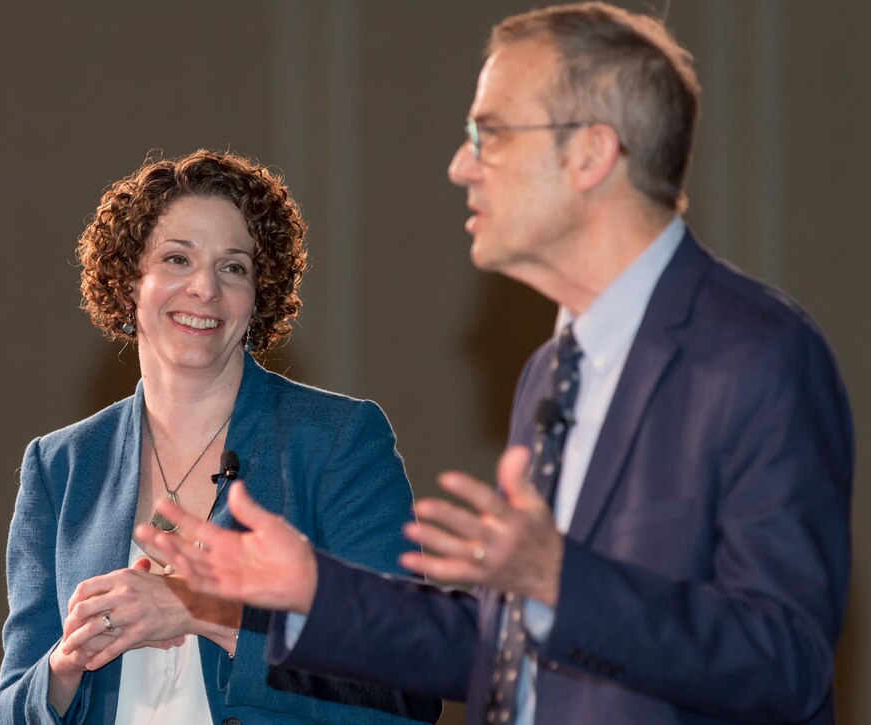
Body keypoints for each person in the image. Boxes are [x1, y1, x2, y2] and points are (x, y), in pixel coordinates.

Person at [143, 4, 854, 725]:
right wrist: (314, 591)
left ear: (590, 154)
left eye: (489, 134)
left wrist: (560, 580)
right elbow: (507, 646)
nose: (460, 165)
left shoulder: (756, 355)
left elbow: (786, 662)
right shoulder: (551, 370)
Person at [0, 149, 441, 724]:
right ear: (130, 282)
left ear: (259, 297)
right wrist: (66, 664)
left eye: (233, 267)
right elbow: (12, 708)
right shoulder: (60, 466)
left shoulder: (336, 443)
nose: (204, 288)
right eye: (177, 259)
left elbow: (408, 686)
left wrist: (206, 612)